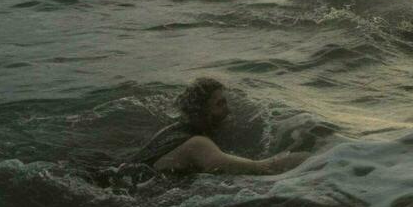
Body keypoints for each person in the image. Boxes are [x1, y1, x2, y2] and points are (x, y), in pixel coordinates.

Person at [131, 77, 307, 175]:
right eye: (220, 104)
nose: (228, 110)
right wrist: (311, 159)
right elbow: (263, 167)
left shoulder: (172, 131)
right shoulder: (197, 144)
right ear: (202, 110)